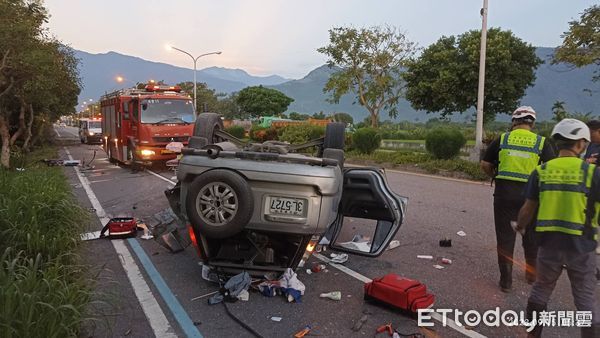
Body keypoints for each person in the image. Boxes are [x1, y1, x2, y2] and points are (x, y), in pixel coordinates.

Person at [516, 119, 599, 337]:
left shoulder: (541, 171)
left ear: (557, 143)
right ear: (581, 144)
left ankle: (533, 334)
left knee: (541, 290)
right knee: (584, 297)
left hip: (549, 245)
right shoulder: (592, 174)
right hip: (582, 246)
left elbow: (527, 209)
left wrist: (521, 226)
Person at [481, 106, 555, 292]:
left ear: (514, 122)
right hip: (531, 198)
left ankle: (506, 282)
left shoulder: (502, 139)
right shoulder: (541, 142)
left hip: (504, 195)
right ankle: (531, 275)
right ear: (533, 123)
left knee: (505, 238)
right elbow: (550, 169)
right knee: (531, 236)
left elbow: (485, 164)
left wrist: (495, 175)